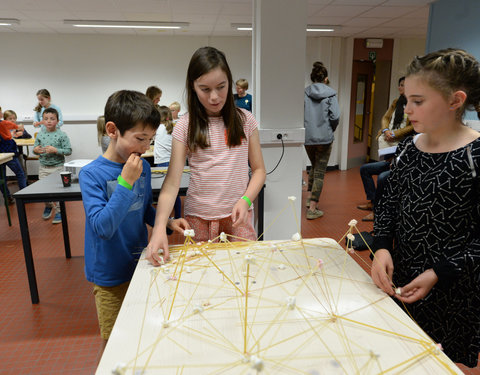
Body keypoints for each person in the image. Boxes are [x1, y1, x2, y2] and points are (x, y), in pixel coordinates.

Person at [370, 48, 480, 368]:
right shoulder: (408, 147)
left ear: (454, 101)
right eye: (407, 100)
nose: (408, 110)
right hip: (404, 277)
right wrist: (381, 247)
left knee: (438, 363)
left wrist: (437, 274)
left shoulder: (474, 157)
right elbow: (389, 201)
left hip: (451, 290)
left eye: (418, 101)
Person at [78, 90, 188, 342]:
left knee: (143, 334)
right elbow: (103, 227)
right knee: (116, 341)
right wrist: (126, 183)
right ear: (112, 130)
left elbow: (141, 208)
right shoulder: (91, 175)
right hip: (110, 275)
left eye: (149, 139)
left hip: (142, 264)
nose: (145, 147)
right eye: (140, 138)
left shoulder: (143, 167)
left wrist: (167, 222)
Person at [146, 46, 266, 265]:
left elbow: (259, 170)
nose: (214, 97)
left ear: (229, 82)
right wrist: (160, 227)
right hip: (198, 220)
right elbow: (172, 183)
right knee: (201, 280)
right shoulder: (185, 125)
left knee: (244, 276)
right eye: (205, 89)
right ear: (193, 87)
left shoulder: (245, 120)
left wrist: (246, 199)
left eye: (221, 87)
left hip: (238, 218)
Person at [357, 76, 414, 221]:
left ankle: (377, 212)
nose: (402, 88)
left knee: (383, 178)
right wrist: (385, 131)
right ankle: (372, 202)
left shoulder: (414, 104)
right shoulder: (396, 102)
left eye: (405, 85)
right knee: (365, 169)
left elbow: (412, 126)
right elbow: (385, 118)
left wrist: (395, 134)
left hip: (401, 149)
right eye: (400, 85)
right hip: (389, 147)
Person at [304, 61, 340, 220]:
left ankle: (309, 198)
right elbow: (335, 116)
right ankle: (312, 208)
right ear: (325, 78)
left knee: (314, 165)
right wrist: (330, 129)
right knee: (319, 171)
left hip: (308, 137)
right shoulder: (331, 93)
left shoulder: (305, 93)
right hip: (325, 138)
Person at [33, 107, 71, 223]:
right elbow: (34, 149)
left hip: (58, 167)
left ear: (58, 121)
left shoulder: (62, 135)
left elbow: (68, 150)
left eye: (52, 119)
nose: (49, 121)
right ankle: (49, 206)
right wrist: (36, 151)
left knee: (58, 191)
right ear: (42, 121)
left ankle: (59, 212)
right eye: (46, 119)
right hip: (43, 167)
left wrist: (56, 150)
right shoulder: (40, 135)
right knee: (43, 191)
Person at [154, 105, 181, 219]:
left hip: (162, 163)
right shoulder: (173, 128)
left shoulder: (158, 128)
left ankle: (166, 217)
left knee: (165, 193)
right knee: (175, 192)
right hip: (172, 162)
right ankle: (178, 215)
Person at [0, 107, 27, 204]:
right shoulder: (3, 123)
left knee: (2, 177)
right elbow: (16, 127)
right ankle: (24, 196)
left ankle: (7, 197)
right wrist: (18, 129)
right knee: (20, 174)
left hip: (2, 154)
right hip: (9, 153)